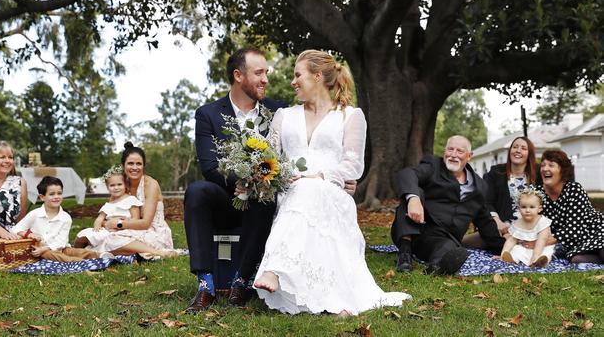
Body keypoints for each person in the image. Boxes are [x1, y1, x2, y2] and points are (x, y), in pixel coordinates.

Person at [252, 50, 411, 316]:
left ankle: (277, 270)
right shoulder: (283, 116)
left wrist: (323, 177)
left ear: (317, 76)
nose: (293, 81)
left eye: (297, 75)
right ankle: (281, 273)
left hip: (331, 192)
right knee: (302, 188)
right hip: (291, 192)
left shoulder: (350, 116)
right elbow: (269, 158)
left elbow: (353, 164)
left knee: (310, 187)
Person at [183, 47, 287, 312]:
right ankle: (206, 284)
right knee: (197, 191)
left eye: (266, 72)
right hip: (227, 199)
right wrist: (242, 180)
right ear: (238, 75)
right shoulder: (208, 114)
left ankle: (241, 282)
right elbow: (209, 166)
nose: (265, 79)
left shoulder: (279, 111)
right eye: (259, 72)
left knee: (264, 195)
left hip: (264, 205)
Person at [392, 135, 505, 274]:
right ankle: (405, 255)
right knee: (412, 193)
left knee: (449, 250)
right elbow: (407, 173)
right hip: (416, 227)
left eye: (459, 151)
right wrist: (414, 199)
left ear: (469, 156)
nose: (453, 155)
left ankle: (437, 266)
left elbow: (485, 222)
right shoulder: (433, 165)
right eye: (450, 149)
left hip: (442, 239)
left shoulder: (479, 187)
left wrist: (506, 250)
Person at [74, 143, 177, 258]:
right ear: (123, 165)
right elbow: (109, 212)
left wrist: (119, 224)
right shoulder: (120, 185)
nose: (135, 167)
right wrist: (106, 223)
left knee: (111, 240)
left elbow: (145, 223)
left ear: (143, 166)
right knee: (87, 237)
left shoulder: (150, 184)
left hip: (152, 231)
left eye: (139, 164)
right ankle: (97, 251)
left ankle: (158, 252)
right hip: (125, 229)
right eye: (130, 163)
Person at [463, 136, 538, 248]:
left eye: (523, 148)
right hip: (502, 230)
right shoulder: (496, 173)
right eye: (515, 147)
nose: (518, 150)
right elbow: (486, 202)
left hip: (531, 230)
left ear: (529, 154)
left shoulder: (537, 175)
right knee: (462, 243)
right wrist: (497, 221)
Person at [12, 176, 103, 262]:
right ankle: (80, 262)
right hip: (42, 252)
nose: (56, 197)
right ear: (42, 197)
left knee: (77, 251)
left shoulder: (65, 217)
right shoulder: (35, 214)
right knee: (53, 256)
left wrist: (45, 248)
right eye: (52, 194)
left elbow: (61, 241)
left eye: (59, 193)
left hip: (61, 248)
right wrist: (28, 234)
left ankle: (100, 256)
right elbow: (15, 229)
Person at [538, 150, 604, 264]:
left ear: (562, 171)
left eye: (551, 165)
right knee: (576, 260)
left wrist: (541, 242)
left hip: (596, 231)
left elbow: (574, 228)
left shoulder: (574, 189)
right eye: (543, 165)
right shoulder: (537, 194)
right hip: (576, 243)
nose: (545, 168)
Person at [499, 186, 554, 267]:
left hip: (541, 247)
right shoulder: (518, 223)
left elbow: (542, 240)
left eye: (532, 207)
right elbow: (511, 240)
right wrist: (504, 252)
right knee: (516, 249)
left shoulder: (542, 222)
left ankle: (540, 260)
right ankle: (511, 258)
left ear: (539, 209)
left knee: (547, 251)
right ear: (519, 208)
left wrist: (535, 255)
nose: (527, 210)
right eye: (524, 207)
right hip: (525, 247)